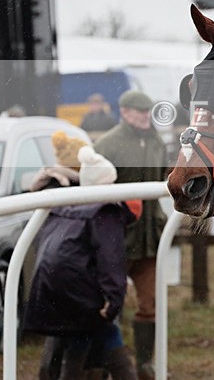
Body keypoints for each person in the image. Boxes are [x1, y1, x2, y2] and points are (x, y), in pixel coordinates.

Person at [24, 146, 141, 380]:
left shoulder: (63, 203)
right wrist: (114, 299)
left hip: (49, 287)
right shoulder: (105, 211)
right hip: (80, 291)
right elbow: (111, 261)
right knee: (102, 330)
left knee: (78, 336)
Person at [94, 89, 167, 380]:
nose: (145, 117)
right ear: (124, 112)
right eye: (139, 112)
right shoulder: (106, 145)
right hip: (116, 241)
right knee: (111, 306)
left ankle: (145, 364)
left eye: (148, 112)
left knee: (150, 305)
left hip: (150, 239)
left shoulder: (157, 141)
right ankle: (107, 365)